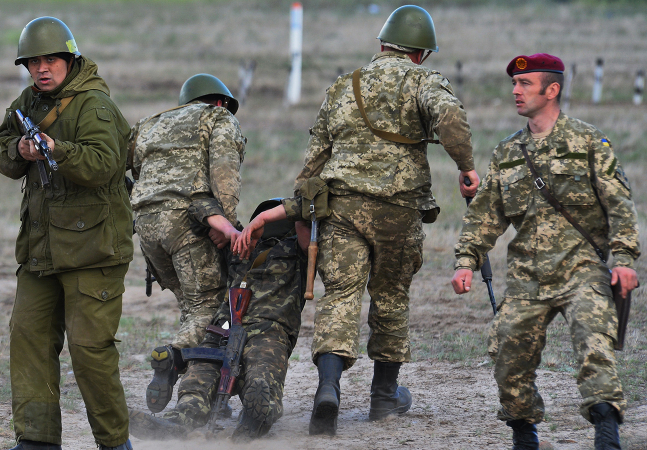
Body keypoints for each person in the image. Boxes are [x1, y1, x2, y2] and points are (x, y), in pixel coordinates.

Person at [233, 5, 478, 436]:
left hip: (341, 210)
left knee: (340, 296)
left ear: (382, 44)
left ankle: (328, 390)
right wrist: (466, 166)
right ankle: (384, 397)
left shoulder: (345, 86)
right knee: (391, 296)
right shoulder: (423, 80)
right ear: (420, 53)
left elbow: (314, 160)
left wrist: (299, 208)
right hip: (398, 214)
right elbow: (451, 118)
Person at [451, 53, 639, 450]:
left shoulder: (588, 142)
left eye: (525, 85)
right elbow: (486, 216)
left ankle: (607, 434)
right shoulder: (507, 153)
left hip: (582, 269)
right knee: (507, 356)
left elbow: (620, 204)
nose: (515, 92)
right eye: (514, 85)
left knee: (595, 347)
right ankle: (524, 434)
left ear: (552, 90)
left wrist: (623, 260)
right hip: (527, 277)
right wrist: (466, 261)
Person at [0, 16, 133, 450]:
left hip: (94, 252)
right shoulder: (27, 102)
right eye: (32, 62)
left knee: (90, 352)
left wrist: (55, 149)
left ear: (69, 59)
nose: (41, 69)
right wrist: (21, 149)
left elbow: (105, 163)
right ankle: (36, 441)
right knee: (28, 339)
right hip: (41, 252)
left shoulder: (95, 106)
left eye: (50, 59)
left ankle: (114, 444)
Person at [129, 198, 306, 441]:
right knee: (199, 376)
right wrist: (230, 231)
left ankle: (255, 418)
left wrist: (265, 218)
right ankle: (180, 420)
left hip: (269, 329)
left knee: (261, 378)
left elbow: (308, 205)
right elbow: (197, 208)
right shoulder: (238, 245)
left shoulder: (299, 252)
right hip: (223, 328)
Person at [126, 74, 246, 414]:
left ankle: (207, 388)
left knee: (194, 309)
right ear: (220, 101)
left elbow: (120, 169)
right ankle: (176, 358)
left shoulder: (150, 124)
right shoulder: (218, 117)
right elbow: (224, 171)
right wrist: (226, 221)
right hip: (190, 223)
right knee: (210, 308)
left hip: (147, 226)